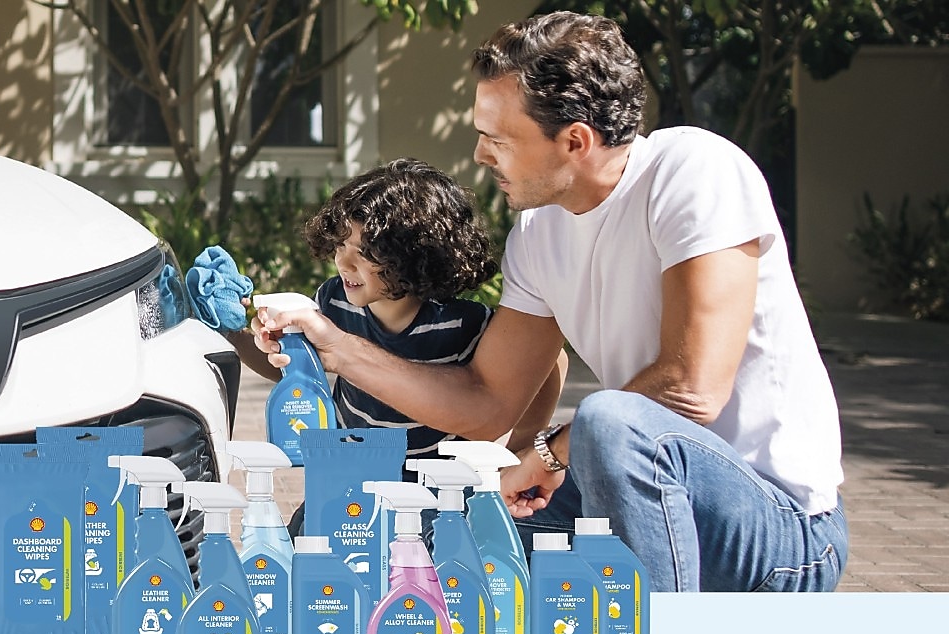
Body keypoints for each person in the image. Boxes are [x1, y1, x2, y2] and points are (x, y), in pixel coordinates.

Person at [252, 12, 848, 592]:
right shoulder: (540, 231)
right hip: (634, 503)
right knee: (429, 528)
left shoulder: (692, 170)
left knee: (608, 421)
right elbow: (486, 403)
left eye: (496, 138)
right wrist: (336, 347)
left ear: (575, 140)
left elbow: (690, 388)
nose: (482, 156)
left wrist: (550, 452)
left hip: (778, 529)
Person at [227, 157, 567, 535]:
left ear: (418, 253)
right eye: (340, 244)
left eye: (367, 251)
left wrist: (518, 449)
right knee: (306, 549)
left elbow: (552, 363)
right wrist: (231, 331)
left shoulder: (461, 323)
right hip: (354, 477)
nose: (344, 261)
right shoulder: (334, 302)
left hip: (433, 493)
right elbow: (295, 367)